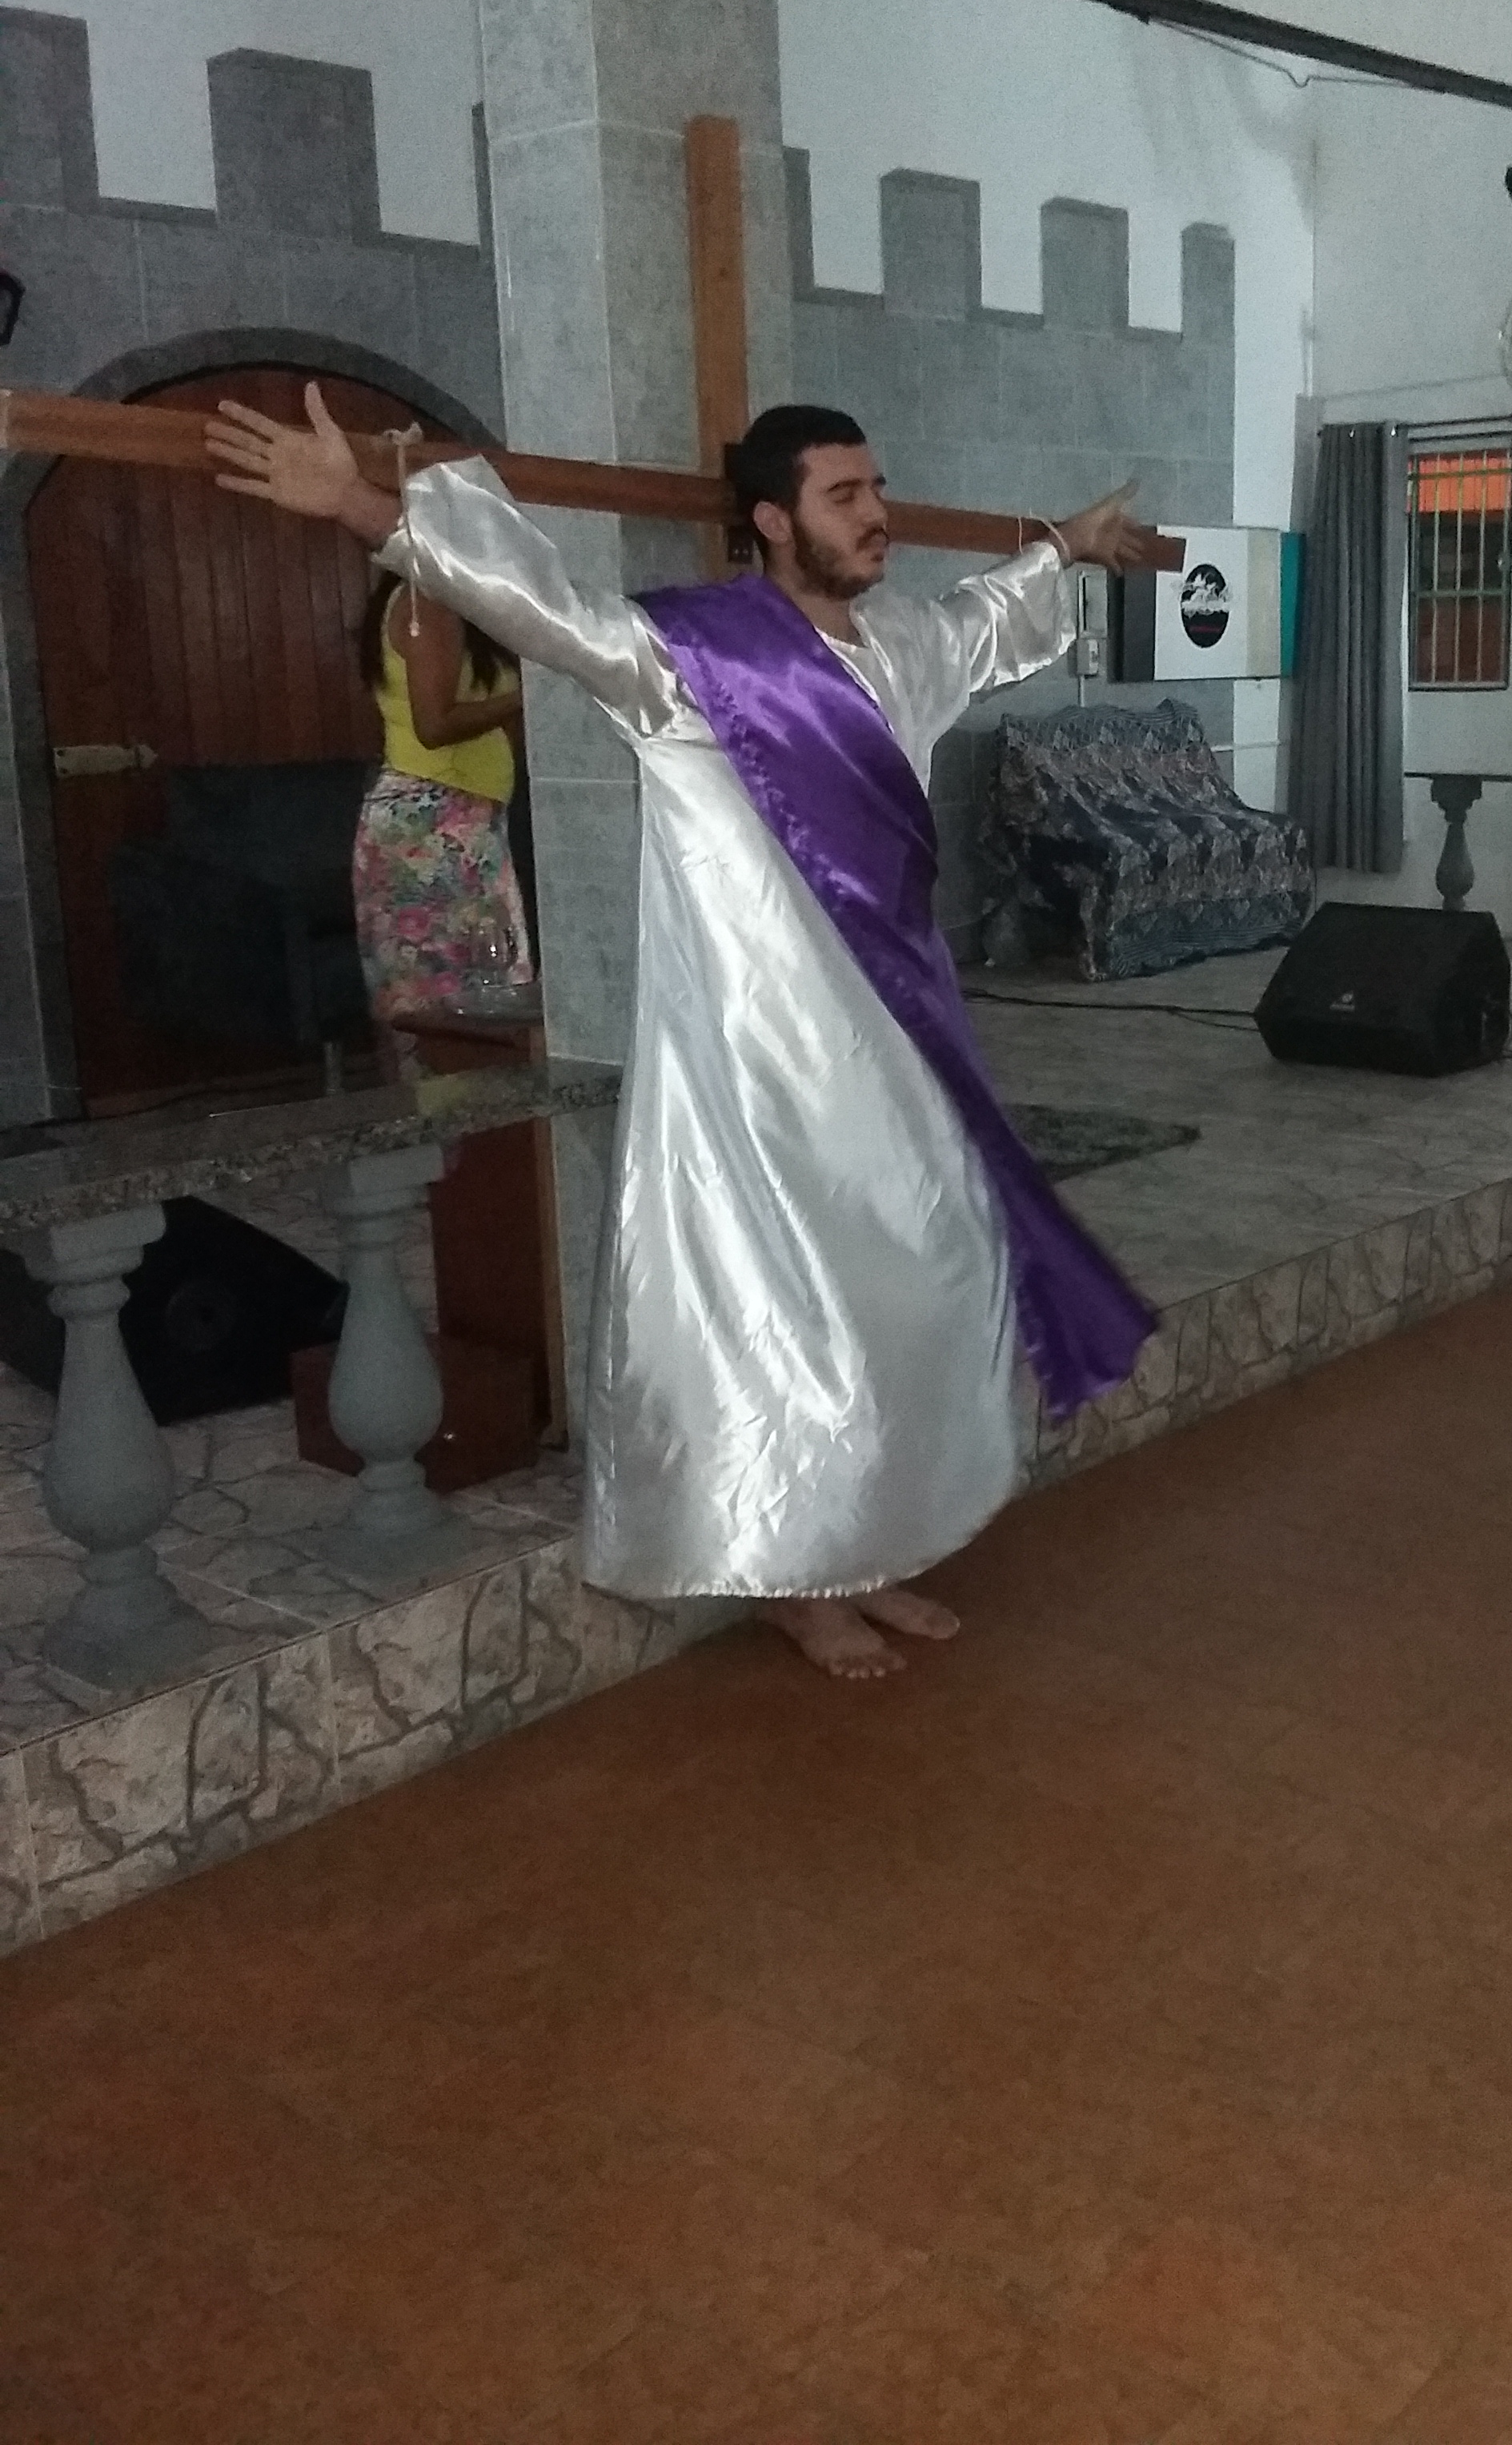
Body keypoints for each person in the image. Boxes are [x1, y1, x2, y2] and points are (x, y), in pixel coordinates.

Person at [207, 386, 1157, 1678]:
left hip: (898, 1036)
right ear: (772, 520)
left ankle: (867, 1535)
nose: (876, 514)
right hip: (755, 1057)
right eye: (844, 495)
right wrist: (363, 506)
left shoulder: (906, 646)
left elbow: (989, 619)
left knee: (926, 1274)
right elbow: (544, 610)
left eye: (876, 489)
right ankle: (795, 1572)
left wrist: (1070, 544)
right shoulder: (690, 663)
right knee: (786, 1307)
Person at [352, 572, 532, 1075]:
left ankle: (469, 1125)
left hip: (459, 820)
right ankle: (458, 1124)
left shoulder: (454, 600)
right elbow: (434, 724)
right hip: (432, 825)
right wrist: (528, 695)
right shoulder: (427, 600)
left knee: (472, 999)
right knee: (454, 1006)